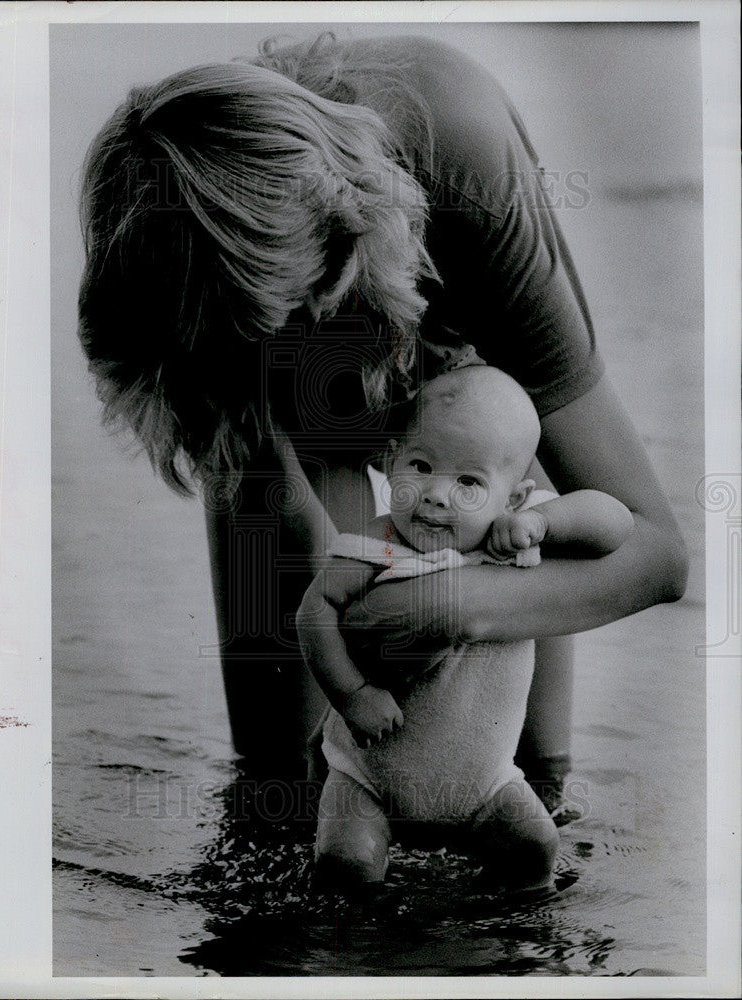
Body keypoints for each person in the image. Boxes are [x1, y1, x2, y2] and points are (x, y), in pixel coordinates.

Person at [76, 34, 687, 809]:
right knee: (273, 794)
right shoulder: (168, 233)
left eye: (291, 331)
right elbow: (280, 535)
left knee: (532, 779)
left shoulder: (461, 159)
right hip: (264, 276)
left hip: (431, 227)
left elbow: (658, 555)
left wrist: (452, 606)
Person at [297, 363, 634, 888]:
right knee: (349, 863)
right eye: (421, 465)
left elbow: (616, 522)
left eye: (469, 482)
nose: (436, 494)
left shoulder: (517, 535)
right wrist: (353, 694)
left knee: (534, 851)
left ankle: (512, 950)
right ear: (391, 463)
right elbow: (314, 610)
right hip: (371, 775)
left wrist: (544, 523)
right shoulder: (376, 545)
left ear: (513, 498)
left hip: (485, 782)